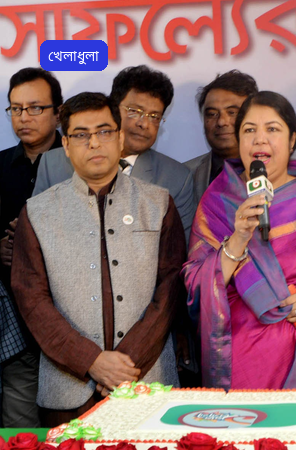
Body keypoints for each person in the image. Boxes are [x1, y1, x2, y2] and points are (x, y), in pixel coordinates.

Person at [11, 92, 185, 426]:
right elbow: (31, 300)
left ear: (119, 138)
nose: (94, 143)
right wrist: (91, 361)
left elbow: (170, 290)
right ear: (65, 144)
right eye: (81, 134)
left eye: (104, 131)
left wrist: (123, 366)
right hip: (67, 394)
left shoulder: (158, 203)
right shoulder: (37, 212)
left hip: (146, 383)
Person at [183, 91, 296, 390]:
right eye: (249, 130)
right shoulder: (218, 199)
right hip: (240, 355)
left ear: (292, 140)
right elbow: (196, 283)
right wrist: (238, 239)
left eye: (272, 129)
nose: (260, 139)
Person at [33, 65, 196, 240]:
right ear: (113, 109)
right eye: (135, 111)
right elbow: (37, 232)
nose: (143, 124)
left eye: (154, 116)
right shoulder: (53, 164)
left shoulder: (176, 179)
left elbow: (177, 248)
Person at [0, 67, 64, 427]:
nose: (24, 117)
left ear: (58, 113)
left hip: (70, 319)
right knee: (19, 429)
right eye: (16, 108)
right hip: (13, 326)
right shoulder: (0, 165)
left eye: (35, 108)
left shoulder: (79, 164)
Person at [186, 70, 258, 202]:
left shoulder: (279, 172)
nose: (221, 122)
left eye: (232, 112)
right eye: (212, 114)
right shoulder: (185, 174)